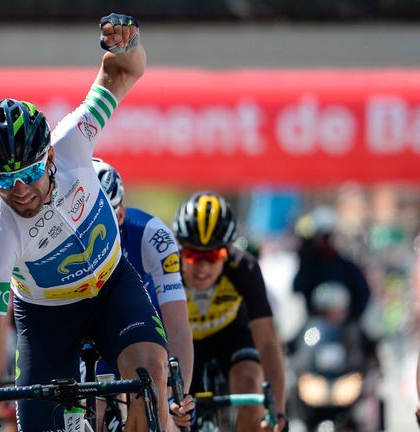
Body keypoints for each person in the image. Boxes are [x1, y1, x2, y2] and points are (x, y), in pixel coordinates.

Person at [0, 12, 185, 432]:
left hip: (112, 288)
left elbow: (122, 72)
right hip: (46, 319)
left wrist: (126, 44)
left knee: (149, 375)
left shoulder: (72, 140)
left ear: (48, 156)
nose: (20, 191)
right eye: (3, 181)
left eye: (28, 173)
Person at [172, 191, 287, 432]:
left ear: (226, 252)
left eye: (213, 255)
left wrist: (277, 413)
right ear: (180, 250)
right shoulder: (166, 267)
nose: (203, 267)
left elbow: (267, 343)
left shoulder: (244, 268)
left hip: (230, 335)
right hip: (184, 340)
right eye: (193, 255)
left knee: (250, 385)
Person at [93, 158, 194, 424]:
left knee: (158, 408)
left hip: (137, 327)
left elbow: (178, 327)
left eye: (107, 217)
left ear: (121, 214)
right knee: (92, 414)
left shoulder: (152, 235)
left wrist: (176, 398)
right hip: (87, 336)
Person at [292, 206, 371, 322]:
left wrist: (351, 317)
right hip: (315, 329)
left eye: (327, 237)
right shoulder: (308, 269)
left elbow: (362, 294)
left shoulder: (347, 268)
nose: (324, 242)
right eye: (321, 237)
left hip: (343, 328)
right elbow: (297, 293)